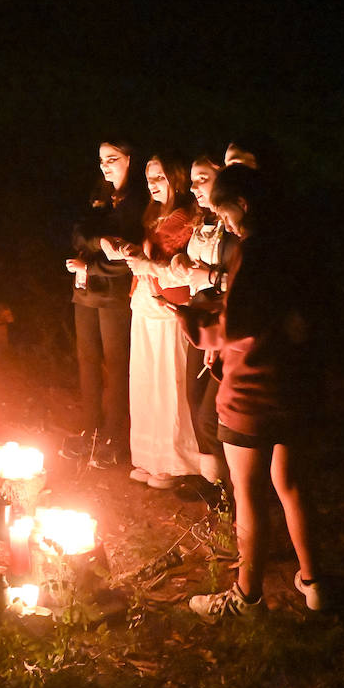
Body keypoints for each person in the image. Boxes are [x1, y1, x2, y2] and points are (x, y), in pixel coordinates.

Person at [173, 163, 324, 618]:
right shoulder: (298, 245)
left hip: (251, 390)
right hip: (294, 383)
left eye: (226, 214)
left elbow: (238, 324)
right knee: (291, 484)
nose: (226, 224)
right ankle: (315, 583)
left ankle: (246, 597)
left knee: (249, 493)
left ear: (243, 204)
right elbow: (284, 312)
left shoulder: (253, 250)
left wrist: (193, 321)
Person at [106, 153, 200, 490]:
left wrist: (147, 263)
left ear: (176, 179)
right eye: (149, 179)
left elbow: (179, 267)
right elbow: (148, 256)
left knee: (168, 379)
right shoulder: (153, 216)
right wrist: (127, 251)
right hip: (144, 300)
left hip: (169, 305)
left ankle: (174, 461)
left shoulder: (186, 218)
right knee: (146, 378)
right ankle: (148, 456)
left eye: (160, 177)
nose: (153, 185)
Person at [60, 140, 145, 469]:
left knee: (116, 363)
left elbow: (128, 256)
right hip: (85, 290)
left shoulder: (138, 200)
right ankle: (90, 429)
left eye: (112, 159)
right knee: (87, 360)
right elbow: (79, 233)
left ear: (129, 159)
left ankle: (114, 435)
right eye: (101, 160)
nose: (105, 166)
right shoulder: (100, 192)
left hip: (113, 293)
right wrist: (99, 241)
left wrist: (92, 264)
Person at [167, 156, 239, 499]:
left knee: (212, 412)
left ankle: (229, 494)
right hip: (198, 317)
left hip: (222, 322)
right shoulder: (204, 220)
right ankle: (211, 480)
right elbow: (192, 261)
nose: (194, 187)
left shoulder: (235, 229)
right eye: (193, 180)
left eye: (203, 179)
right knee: (194, 399)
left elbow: (240, 280)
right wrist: (181, 261)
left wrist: (207, 276)